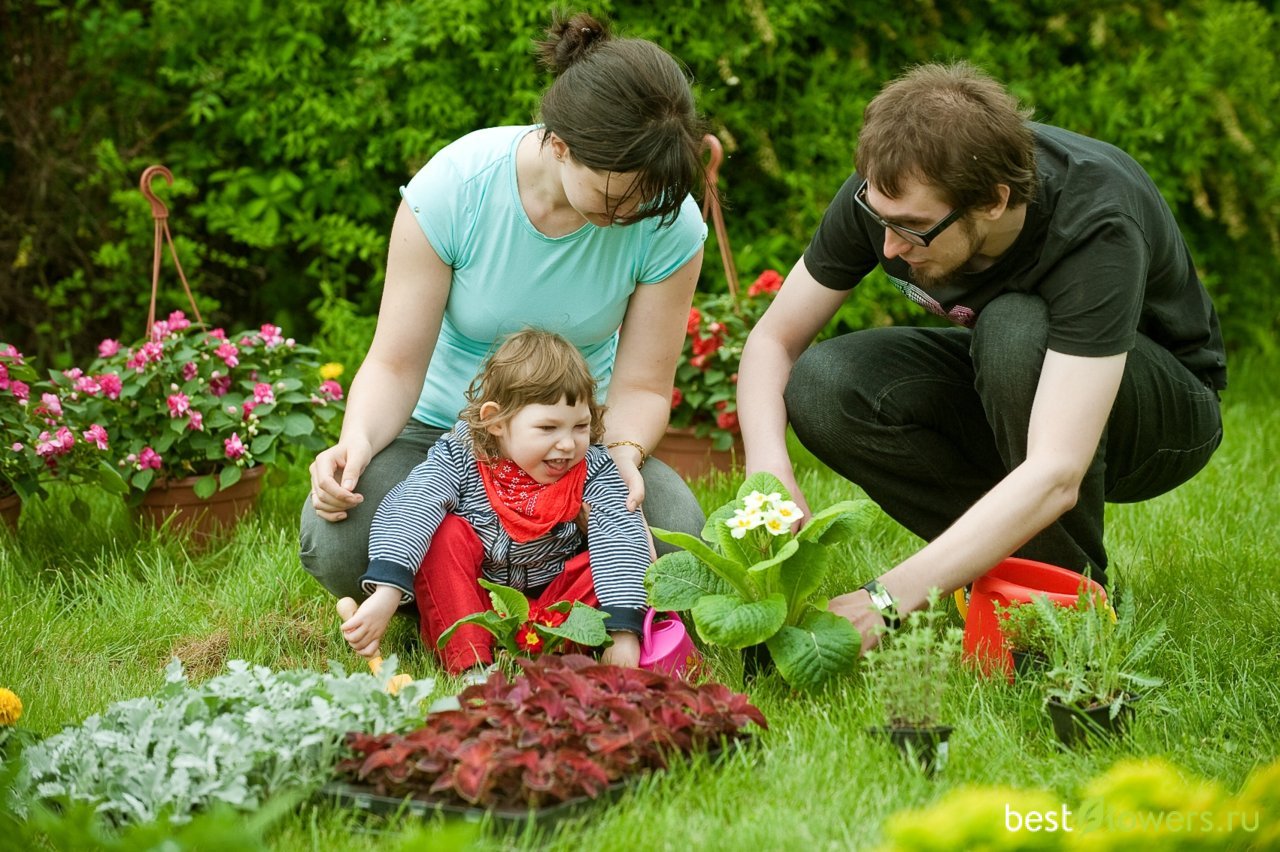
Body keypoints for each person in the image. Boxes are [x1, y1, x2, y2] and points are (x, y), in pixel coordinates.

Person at [737, 62, 1225, 651]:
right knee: (823, 383)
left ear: (993, 202)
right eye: (880, 220)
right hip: (1014, 385)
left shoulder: (1096, 220)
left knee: (1014, 328)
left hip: (1161, 414)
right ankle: (1013, 569)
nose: (889, 247)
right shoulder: (892, 193)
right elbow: (773, 342)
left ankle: (1065, 603)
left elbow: (1057, 471)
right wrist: (768, 467)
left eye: (913, 231)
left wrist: (886, 599)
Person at [301, 11, 709, 604]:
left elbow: (644, 385)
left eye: (651, 196)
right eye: (618, 196)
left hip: (578, 445)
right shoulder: (458, 187)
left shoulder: (666, 219)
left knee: (678, 543)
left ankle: (507, 585)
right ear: (561, 146)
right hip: (443, 438)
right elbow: (394, 364)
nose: (636, 214)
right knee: (339, 544)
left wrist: (621, 456)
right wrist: (356, 443)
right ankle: (493, 583)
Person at [338, 329, 651, 674]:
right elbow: (414, 503)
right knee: (443, 533)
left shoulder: (592, 467)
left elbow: (620, 535)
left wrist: (624, 632)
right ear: (495, 420)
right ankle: (471, 661)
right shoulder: (461, 456)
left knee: (617, 542)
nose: (567, 444)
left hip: (555, 606)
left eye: (580, 426)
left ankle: (553, 653)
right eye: (548, 428)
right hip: (480, 605)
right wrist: (387, 591)